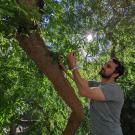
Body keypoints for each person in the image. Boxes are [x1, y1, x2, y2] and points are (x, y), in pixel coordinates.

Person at [60, 52, 125, 135]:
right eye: (105, 64)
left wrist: (73, 66)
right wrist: (63, 67)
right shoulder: (97, 85)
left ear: (115, 74)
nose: (104, 66)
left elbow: (84, 91)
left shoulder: (114, 90)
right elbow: (78, 80)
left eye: (108, 66)